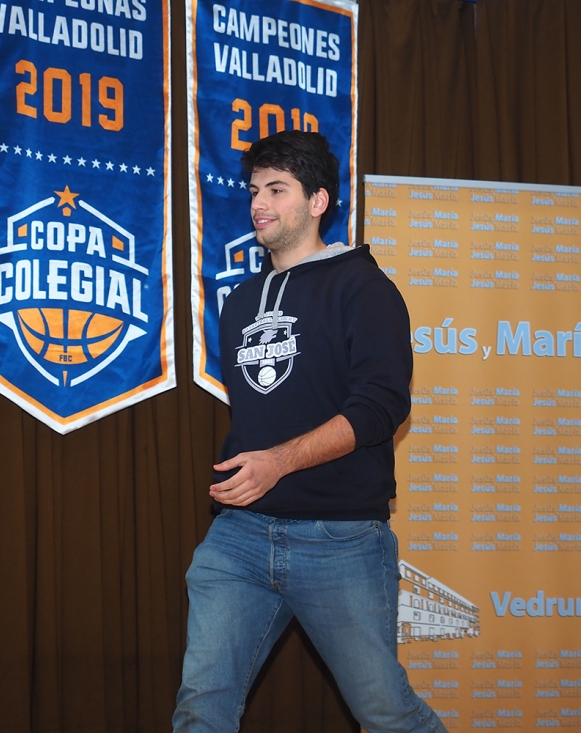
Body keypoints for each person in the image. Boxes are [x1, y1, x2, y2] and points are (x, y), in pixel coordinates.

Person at [172, 130, 447, 733]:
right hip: (239, 537)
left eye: (277, 190)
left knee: (386, 713)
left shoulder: (365, 289)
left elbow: (381, 408)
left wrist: (279, 461)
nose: (259, 204)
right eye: (254, 190)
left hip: (339, 539)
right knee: (200, 708)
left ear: (318, 201)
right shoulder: (240, 302)